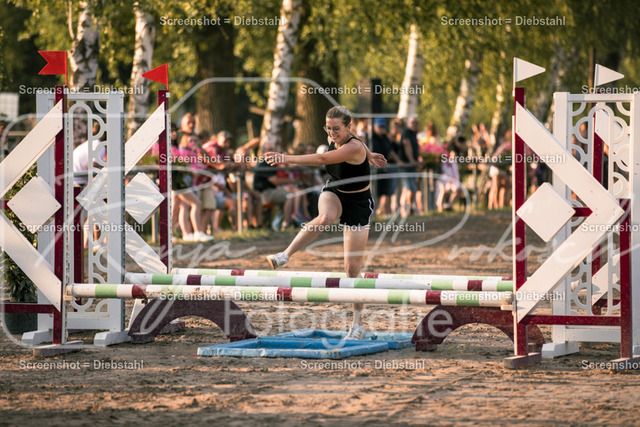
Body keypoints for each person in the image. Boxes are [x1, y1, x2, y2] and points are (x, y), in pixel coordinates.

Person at [264, 106, 387, 340]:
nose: (331, 133)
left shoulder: (353, 146)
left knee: (352, 270)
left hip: (358, 204)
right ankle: (285, 254)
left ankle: (358, 324)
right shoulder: (340, 138)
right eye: (328, 128)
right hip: (335, 191)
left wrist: (286, 158)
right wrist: (370, 155)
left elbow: (322, 158)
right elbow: (357, 142)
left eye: (336, 129)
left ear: (348, 126)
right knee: (325, 218)